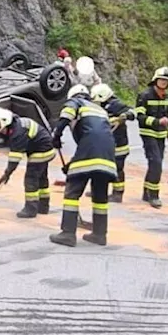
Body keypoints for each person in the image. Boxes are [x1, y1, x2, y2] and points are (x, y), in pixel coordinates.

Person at [49, 84, 116, 247]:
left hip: (90, 152)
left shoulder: (76, 103)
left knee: (72, 192)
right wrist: (72, 164)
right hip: (108, 157)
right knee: (100, 197)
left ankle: (68, 234)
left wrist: (56, 135)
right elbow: (93, 142)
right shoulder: (101, 111)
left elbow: (66, 114)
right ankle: (100, 235)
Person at [0, 107, 57, 218]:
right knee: (42, 178)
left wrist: (7, 174)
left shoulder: (17, 134)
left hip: (40, 151)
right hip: (46, 149)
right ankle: (43, 207)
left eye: (0, 128)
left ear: (5, 121)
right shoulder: (18, 124)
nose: (1, 132)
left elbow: (14, 159)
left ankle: (30, 209)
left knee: (31, 178)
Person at [135, 66, 168, 208]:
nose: (164, 83)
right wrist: (157, 122)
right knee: (156, 163)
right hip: (148, 134)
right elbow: (139, 117)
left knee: (155, 164)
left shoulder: (167, 97)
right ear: (155, 80)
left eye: (166, 81)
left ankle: (146, 193)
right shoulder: (144, 95)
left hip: (161, 136)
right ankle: (154, 195)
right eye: (162, 80)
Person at [91, 83, 134, 202]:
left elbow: (132, 112)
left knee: (118, 169)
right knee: (103, 166)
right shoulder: (101, 106)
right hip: (107, 144)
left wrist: (124, 116)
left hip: (119, 145)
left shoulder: (115, 104)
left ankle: (118, 193)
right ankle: (99, 190)